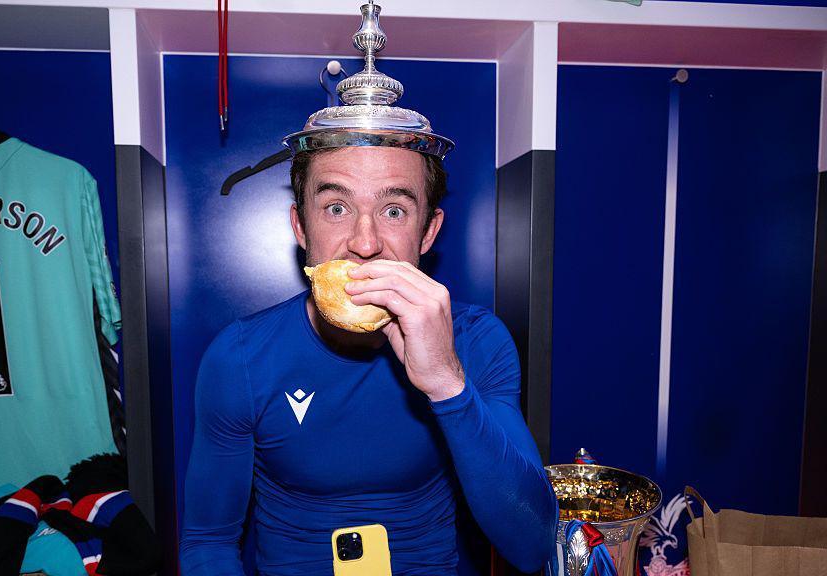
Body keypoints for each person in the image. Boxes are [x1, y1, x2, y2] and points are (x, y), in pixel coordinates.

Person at [181, 4, 556, 574]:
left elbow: (533, 545)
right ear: (300, 227)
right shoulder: (239, 361)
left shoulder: (477, 343)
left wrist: (446, 384)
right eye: (335, 207)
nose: (363, 241)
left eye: (394, 209)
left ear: (429, 232)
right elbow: (208, 541)